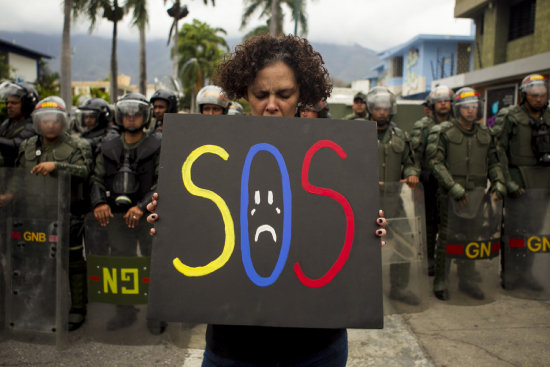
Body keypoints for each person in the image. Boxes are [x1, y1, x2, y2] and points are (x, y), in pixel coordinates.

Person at [147, 34, 387, 367]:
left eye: (284, 94)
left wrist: (368, 230)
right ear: (244, 93)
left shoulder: (335, 154)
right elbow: (198, 224)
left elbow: (343, 231)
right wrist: (171, 219)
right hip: (234, 349)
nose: (271, 104)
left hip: (316, 347)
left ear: (302, 93)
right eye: (261, 94)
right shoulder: (212, 148)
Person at [16, 96, 92, 330]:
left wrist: (57, 167)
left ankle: (77, 308)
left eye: (54, 120)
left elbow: (85, 171)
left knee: (73, 262)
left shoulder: (80, 145)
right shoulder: (26, 146)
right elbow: (19, 177)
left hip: (69, 213)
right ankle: (42, 305)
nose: (50, 125)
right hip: (36, 212)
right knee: (38, 260)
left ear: (63, 122)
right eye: (45, 120)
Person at [90, 92, 164, 333]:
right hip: (116, 215)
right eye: (127, 113)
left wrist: (141, 207)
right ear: (119, 116)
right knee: (120, 262)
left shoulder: (157, 144)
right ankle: (124, 312)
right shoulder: (108, 145)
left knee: (154, 261)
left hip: (147, 213)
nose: (132, 118)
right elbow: (96, 177)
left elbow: (161, 181)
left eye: (137, 114)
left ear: (146, 116)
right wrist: (99, 203)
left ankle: (156, 312)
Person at [426, 87, 506, 301]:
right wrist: (452, 187)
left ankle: (467, 279)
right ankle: (441, 280)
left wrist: (498, 182)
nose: (470, 111)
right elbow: (435, 161)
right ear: (457, 109)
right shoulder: (443, 131)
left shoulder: (485, 134)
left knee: (472, 239)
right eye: (466, 107)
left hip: (478, 194)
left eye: (474, 107)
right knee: (446, 237)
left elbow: (495, 162)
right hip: (450, 195)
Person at [492, 74, 550, 291]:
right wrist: (508, 181)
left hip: (542, 182)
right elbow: (498, 151)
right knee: (516, 231)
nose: (539, 100)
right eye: (535, 96)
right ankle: (510, 273)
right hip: (519, 181)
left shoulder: (548, 117)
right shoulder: (511, 116)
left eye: (542, 96)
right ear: (525, 95)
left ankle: (526, 273)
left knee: (535, 231)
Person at [369, 86, 421, 305]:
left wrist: (411, 173)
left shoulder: (401, 135)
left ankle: (399, 288)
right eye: (378, 108)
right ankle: (362, 288)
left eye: (385, 108)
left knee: (405, 241)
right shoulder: (359, 132)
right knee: (363, 246)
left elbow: (411, 162)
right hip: (366, 201)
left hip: (394, 200)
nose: (382, 111)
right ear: (371, 109)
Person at [410, 85, 455, 275]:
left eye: (446, 100)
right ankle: (428, 262)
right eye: (439, 101)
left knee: (451, 224)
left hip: (451, 181)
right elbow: (415, 156)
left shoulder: (457, 124)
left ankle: (448, 262)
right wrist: (417, 181)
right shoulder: (422, 126)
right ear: (433, 104)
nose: (443, 104)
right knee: (428, 225)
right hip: (428, 181)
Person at [0, 81, 39, 167]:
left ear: (26, 105)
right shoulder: (8, 123)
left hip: (22, 173)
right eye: (7, 102)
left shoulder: (33, 125)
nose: (8, 106)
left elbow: (18, 145)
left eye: (14, 103)